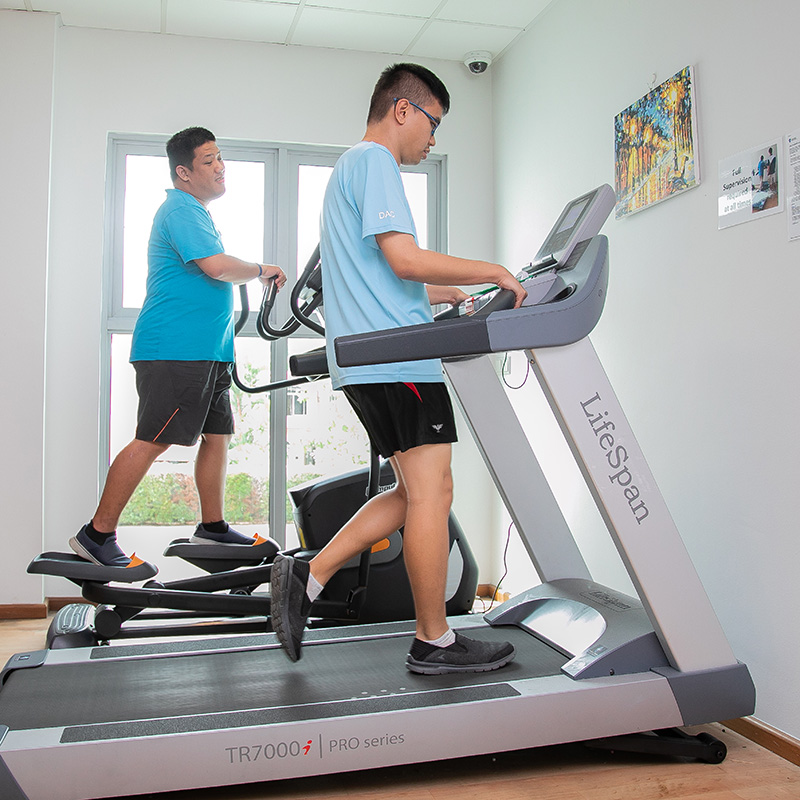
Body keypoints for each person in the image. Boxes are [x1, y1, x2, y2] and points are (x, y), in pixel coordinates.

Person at [269, 64, 527, 675]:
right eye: (434, 124)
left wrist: (456, 297)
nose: (433, 139)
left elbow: (389, 278)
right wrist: (492, 271)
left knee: (416, 492)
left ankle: (311, 573)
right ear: (404, 110)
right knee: (432, 491)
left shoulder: (348, 170)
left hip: (373, 356)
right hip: (396, 357)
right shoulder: (375, 163)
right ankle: (434, 640)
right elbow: (406, 260)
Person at [70, 127, 286, 568]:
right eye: (209, 161)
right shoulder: (181, 209)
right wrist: (262, 268)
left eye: (220, 158)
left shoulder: (197, 212)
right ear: (184, 173)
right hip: (175, 350)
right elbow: (216, 267)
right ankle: (96, 534)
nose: (220, 167)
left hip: (207, 351)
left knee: (218, 434)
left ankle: (212, 528)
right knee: (153, 439)